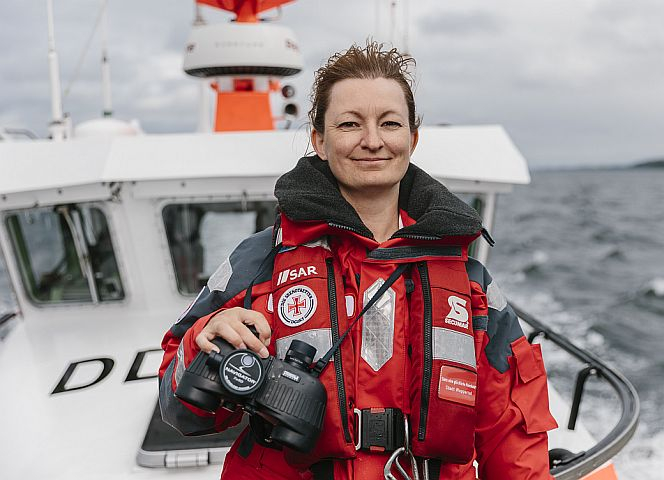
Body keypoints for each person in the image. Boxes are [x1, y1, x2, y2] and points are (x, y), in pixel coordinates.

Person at [159, 42, 558, 480]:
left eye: (390, 123)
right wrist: (205, 340)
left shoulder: (469, 280)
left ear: (412, 138)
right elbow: (182, 413)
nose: (372, 141)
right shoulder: (260, 261)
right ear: (320, 141)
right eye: (350, 124)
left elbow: (513, 435)